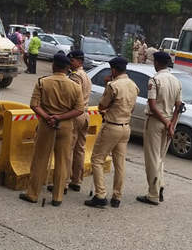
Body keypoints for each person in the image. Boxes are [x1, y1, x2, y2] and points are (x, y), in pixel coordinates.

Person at [20, 52, 84, 207]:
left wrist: (48, 117)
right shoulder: (75, 87)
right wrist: (60, 117)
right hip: (65, 126)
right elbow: (79, 110)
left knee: (40, 159)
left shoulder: (43, 82)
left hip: (46, 126)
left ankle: (33, 194)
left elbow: (34, 105)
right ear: (68, 67)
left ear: (53, 65)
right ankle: (57, 197)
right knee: (62, 161)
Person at [85, 56, 137, 208]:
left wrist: (107, 83)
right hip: (125, 127)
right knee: (119, 163)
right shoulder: (133, 85)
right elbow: (132, 108)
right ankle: (117, 196)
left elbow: (102, 106)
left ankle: (100, 194)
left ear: (113, 70)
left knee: (97, 159)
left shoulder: (113, 86)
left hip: (112, 126)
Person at [137, 51, 183, 206]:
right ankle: (160, 185)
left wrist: (165, 122)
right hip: (169, 121)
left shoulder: (155, 80)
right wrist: (171, 124)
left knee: (152, 157)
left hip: (156, 121)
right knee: (160, 157)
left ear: (157, 63)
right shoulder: (176, 81)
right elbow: (179, 106)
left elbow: (152, 105)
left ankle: (153, 194)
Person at [65, 49, 92, 192]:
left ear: (79, 61)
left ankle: (63, 182)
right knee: (80, 149)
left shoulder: (75, 77)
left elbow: (72, 97)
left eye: (72, 60)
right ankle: (77, 180)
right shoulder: (86, 76)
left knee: (68, 149)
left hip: (76, 115)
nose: (70, 63)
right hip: (85, 114)